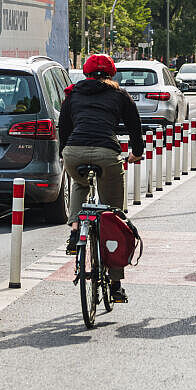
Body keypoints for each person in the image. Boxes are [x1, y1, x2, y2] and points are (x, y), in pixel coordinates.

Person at [58, 53, 143, 303]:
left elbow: (64, 127)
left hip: (74, 152)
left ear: (85, 73)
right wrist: (136, 153)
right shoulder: (119, 95)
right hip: (108, 153)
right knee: (113, 216)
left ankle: (75, 230)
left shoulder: (72, 94)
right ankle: (115, 285)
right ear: (111, 73)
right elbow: (134, 126)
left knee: (80, 184)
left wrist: (66, 153)